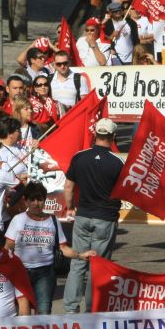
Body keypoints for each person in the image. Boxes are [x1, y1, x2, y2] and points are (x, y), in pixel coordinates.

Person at [5, 181, 97, 314]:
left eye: (40, 199)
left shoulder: (52, 220)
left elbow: (63, 248)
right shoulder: (18, 220)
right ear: (26, 201)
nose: (36, 203)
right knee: (23, 314)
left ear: (44, 200)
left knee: (44, 311)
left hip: (46, 274)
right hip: (21, 272)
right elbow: (8, 247)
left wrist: (81, 255)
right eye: (32, 200)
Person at [62, 118, 124, 313]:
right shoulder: (117, 162)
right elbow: (123, 191)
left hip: (83, 215)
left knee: (78, 263)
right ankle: (92, 309)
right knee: (98, 267)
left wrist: (70, 207)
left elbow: (69, 187)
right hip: (105, 218)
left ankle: (71, 309)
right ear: (113, 137)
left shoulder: (79, 157)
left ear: (95, 134)